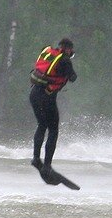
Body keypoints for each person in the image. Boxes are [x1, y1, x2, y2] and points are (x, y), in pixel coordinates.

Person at [28, 38, 77, 175]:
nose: (72, 52)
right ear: (67, 49)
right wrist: (69, 73)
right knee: (53, 130)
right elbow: (73, 77)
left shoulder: (48, 52)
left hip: (34, 94)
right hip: (46, 97)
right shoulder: (65, 60)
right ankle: (47, 166)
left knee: (42, 125)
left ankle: (36, 158)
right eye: (71, 50)